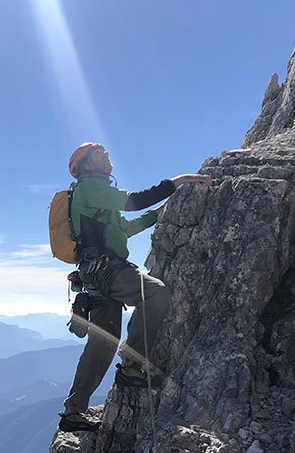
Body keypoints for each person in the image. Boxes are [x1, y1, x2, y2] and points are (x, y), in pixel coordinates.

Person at [57, 142, 211, 432]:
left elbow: (124, 230)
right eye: (98, 153)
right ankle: (132, 364)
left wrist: (157, 214)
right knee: (155, 292)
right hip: (107, 271)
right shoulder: (89, 187)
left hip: (95, 276)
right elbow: (135, 201)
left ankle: (72, 412)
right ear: (86, 165)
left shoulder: (97, 196)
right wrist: (177, 182)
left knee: (103, 341)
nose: (106, 155)